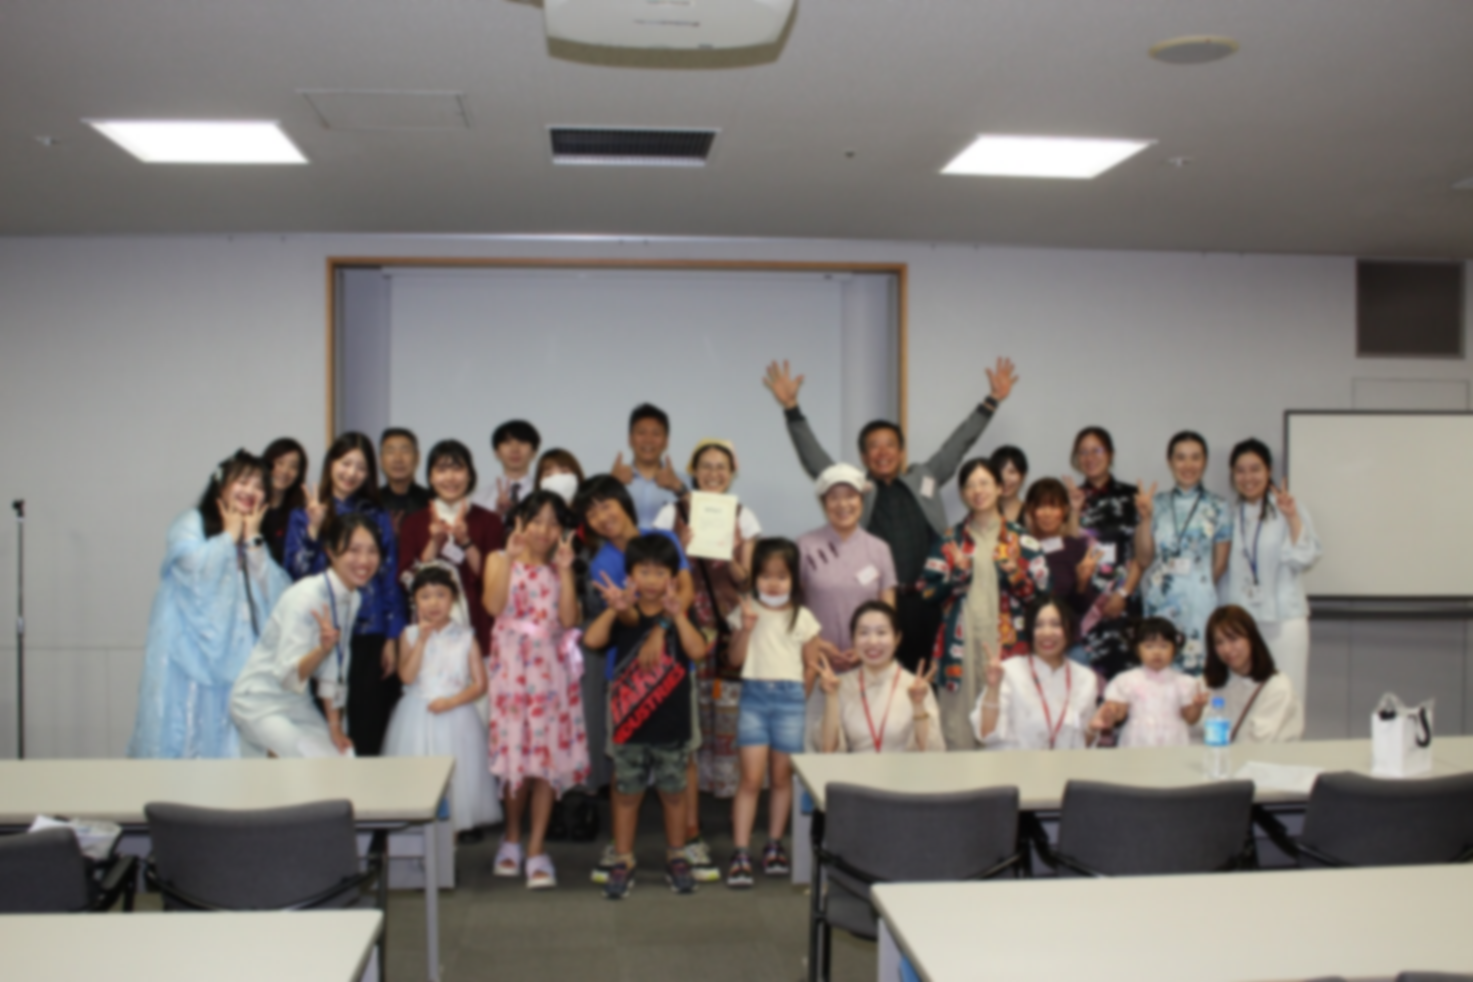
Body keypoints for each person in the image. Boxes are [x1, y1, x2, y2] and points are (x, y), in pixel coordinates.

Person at [764, 356, 1019, 672]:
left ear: (901, 452)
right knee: (878, 682)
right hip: (877, 604)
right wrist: (792, 409)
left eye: (890, 445)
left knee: (926, 681)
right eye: (874, 446)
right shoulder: (855, 490)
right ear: (863, 456)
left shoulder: (924, 478)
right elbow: (816, 461)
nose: (883, 452)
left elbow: (958, 444)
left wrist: (991, 401)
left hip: (928, 600)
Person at [128, 450, 291, 759]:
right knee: (190, 734)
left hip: (241, 652)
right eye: (243, 481)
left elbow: (276, 595)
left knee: (236, 740)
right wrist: (228, 536)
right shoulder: (191, 522)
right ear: (221, 484)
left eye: (259, 486)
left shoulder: (255, 532)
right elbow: (193, 569)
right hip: (190, 655)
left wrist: (253, 541)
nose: (250, 491)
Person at [578, 476, 698, 883]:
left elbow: (684, 591)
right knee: (625, 773)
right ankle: (623, 851)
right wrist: (622, 609)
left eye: (605, 505)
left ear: (623, 502)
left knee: (680, 766)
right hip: (628, 679)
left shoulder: (663, 540)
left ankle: (686, 843)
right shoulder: (601, 563)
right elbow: (623, 620)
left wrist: (662, 627)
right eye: (591, 512)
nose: (601, 517)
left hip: (673, 674)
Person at [482, 492, 589, 889]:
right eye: (536, 520)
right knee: (516, 758)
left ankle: (537, 847)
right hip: (512, 673)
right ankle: (511, 839)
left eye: (554, 522)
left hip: (551, 674)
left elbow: (569, 619)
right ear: (520, 522)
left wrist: (566, 571)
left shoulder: (564, 566)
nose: (544, 530)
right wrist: (510, 558)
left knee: (546, 759)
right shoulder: (499, 559)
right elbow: (493, 606)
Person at [652, 438, 760, 806]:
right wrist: (679, 549)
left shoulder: (744, 516)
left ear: (731, 473)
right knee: (685, 706)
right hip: (683, 621)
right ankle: (684, 794)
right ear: (694, 472)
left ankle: (726, 788)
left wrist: (730, 554)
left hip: (727, 625)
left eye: (721, 467)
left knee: (727, 708)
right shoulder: (670, 514)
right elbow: (654, 573)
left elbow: (745, 582)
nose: (714, 474)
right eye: (706, 467)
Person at [283, 432, 404, 756]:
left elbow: (388, 577)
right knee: (321, 730)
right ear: (331, 464)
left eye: (361, 467)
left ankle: (365, 788)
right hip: (320, 633)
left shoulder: (377, 515)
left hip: (368, 632)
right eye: (345, 463)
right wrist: (313, 530)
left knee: (367, 725)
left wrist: (392, 637)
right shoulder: (302, 513)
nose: (351, 473)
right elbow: (295, 575)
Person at [920, 458, 1049, 750]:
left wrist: (1015, 575)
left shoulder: (1021, 540)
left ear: (1000, 487)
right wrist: (957, 577)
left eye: (984, 483)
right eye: (969, 485)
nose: (977, 490)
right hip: (960, 653)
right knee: (959, 732)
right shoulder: (950, 540)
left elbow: (1044, 598)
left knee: (1008, 732)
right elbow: (926, 593)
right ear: (962, 494)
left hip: (1009, 651)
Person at [230, 513, 382, 758]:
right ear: (331, 552)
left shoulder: (352, 597)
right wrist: (322, 650)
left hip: (298, 702)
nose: (364, 560)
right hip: (258, 700)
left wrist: (335, 728)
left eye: (372, 551)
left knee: (342, 757)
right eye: (353, 550)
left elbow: (336, 666)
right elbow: (287, 674)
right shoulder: (306, 597)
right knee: (303, 759)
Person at [724, 538, 823, 889]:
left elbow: (810, 664)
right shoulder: (747, 610)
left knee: (782, 779)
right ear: (754, 578)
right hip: (753, 697)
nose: (773, 583)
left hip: (790, 700)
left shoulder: (804, 617)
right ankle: (740, 852)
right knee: (751, 779)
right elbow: (734, 660)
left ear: (795, 579)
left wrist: (798, 697)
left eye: (782, 576)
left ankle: (774, 845)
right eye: (765, 576)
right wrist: (746, 628)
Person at [382, 565, 501, 835]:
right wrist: (422, 641)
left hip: (455, 715)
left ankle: (451, 841)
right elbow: (406, 677)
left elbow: (480, 684)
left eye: (440, 595)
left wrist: (451, 702)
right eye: (425, 596)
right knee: (417, 777)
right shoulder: (409, 635)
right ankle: (418, 838)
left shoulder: (466, 637)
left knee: (457, 778)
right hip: (417, 715)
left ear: (453, 598)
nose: (433, 603)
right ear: (415, 601)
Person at [795, 464, 898, 751]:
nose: (843, 504)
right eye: (834, 497)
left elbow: (888, 609)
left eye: (850, 496)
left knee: (866, 745)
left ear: (862, 500)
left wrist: (866, 647)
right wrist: (817, 643)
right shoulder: (805, 545)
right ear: (823, 502)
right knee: (816, 746)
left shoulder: (879, 549)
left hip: (868, 665)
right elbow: (793, 608)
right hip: (817, 665)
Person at [1219, 439, 1322, 702]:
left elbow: (1305, 558)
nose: (1248, 477)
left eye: (1255, 469)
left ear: (1269, 470)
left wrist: (1292, 517)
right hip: (1241, 625)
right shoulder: (1230, 515)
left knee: (1286, 696)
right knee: (1244, 698)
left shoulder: (1288, 508)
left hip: (1283, 621)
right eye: (1240, 470)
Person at [1133, 431, 1232, 675]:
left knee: (1197, 672)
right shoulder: (1156, 503)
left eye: (1195, 457)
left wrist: (1196, 586)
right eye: (1181, 457)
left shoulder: (1219, 506)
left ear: (1205, 461)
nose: (1188, 465)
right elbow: (1144, 559)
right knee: (1159, 671)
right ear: (1170, 461)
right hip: (1160, 600)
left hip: (1200, 602)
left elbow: (1219, 565)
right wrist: (1145, 519)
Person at [396, 439, 506, 652]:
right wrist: (434, 544)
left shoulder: (490, 521)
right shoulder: (414, 522)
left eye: (457, 469)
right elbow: (406, 580)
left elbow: (495, 582)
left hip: (480, 628)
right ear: (430, 477)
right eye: (441, 470)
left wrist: (466, 542)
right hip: (427, 632)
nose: (450, 478)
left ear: (470, 475)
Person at [970, 598, 1102, 750]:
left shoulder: (1085, 679)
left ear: (1069, 629)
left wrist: (1093, 729)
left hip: (1063, 764)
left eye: (1055, 624)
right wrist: (993, 689)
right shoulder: (1009, 671)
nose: (1047, 633)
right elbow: (986, 734)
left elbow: (1082, 745)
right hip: (1013, 763)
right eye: (1039, 625)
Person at [815, 601, 944, 754]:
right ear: (853, 639)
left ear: (897, 638)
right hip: (856, 769)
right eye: (864, 633)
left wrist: (918, 704)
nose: (873, 642)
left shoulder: (916, 686)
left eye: (881, 633)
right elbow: (828, 751)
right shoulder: (839, 685)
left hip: (904, 769)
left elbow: (931, 752)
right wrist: (831, 696)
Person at [1068, 426, 1142, 681]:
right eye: (1083, 452)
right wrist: (1074, 510)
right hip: (1085, 605)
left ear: (1111, 454)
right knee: (1084, 683)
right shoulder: (1073, 499)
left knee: (1125, 682)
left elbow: (1141, 554)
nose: (1090, 457)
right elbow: (1069, 549)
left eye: (1097, 450)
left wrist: (1123, 594)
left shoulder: (1132, 497)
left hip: (1122, 603)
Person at [1091, 617, 1209, 748]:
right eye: (1149, 646)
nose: (1156, 652)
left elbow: (1190, 719)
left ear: (1174, 649)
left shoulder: (1184, 682)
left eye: (1164, 646)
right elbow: (1120, 712)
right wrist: (1111, 712)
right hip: (1137, 741)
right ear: (1137, 650)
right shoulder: (1127, 680)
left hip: (1174, 741)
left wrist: (1197, 706)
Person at [1202, 605, 1305, 744]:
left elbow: (1257, 745)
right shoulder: (1208, 684)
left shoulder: (1277, 687)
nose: (1227, 649)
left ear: (1251, 638)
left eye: (1233, 639)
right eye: (1219, 642)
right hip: (1217, 757)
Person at [1023, 478, 1101, 624]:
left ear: (1065, 510)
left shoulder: (1075, 547)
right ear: (1030, 510)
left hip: (1066, 631)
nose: (1047, 514)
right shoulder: (1020, 548)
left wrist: (1081, 582)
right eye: (1041, 506)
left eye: (1054, 507)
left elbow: (1082, 607)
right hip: (1028, 630)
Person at [611, 403, 687, 528]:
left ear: (666, 441)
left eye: (656, 434)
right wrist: (611, 485)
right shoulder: (615, 479)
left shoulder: (684, 482)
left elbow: (701, 518)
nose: (648, 439)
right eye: (641, 433)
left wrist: (679, 488)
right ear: (630, 439)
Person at [473, 419, 540, 519]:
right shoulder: (480, 498)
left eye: (522, 442)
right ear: (496, 453)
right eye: (507, 442)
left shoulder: (544, 492)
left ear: (534, 452)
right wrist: (497, 515)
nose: (515, 449)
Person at [260, 438, 308, 566]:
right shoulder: (250, 506)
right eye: (280, 463)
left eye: (293, 466)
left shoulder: (300, 515)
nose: (285, 471)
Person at [379, 428, 432, 533]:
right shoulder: (371, 502)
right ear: (380, 459)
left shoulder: (431, 502)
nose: (398, 459)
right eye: (390, 451)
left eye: (405, 451)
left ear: (417, 457)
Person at [990, 446, 1029, 525]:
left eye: (1012, 472)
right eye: (998, 472)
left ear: (1023, 476)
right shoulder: (982, 513)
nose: (1004, 478)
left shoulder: (1032, 513)